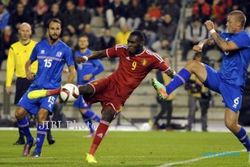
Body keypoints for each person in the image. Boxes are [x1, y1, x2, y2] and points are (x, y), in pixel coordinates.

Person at [27, 31, 175, 163]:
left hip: (120, 96)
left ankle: (91, 154)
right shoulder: (122, 49)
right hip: (109, 82)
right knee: (84, 88)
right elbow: (102, 53)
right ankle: (48, 92)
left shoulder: (152, 57)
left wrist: (172, 82)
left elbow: (169, 72)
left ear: (141, 43)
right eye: (128, 41)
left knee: (107, 116)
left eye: (132, 43)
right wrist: (86, 58)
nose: (128, 44)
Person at [152, 10, 250, 154]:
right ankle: (166, 90)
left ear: (238, 24)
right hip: (220, 78)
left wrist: (212, 30)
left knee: (230, 124)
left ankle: (249, 146)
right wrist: (202, 44)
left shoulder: (244, 37)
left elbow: (225, 46)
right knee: (192, 64)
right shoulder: (227, 35)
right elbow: (212, 40)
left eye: (230, 21)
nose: (227, 23)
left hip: (233, 86)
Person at [15, 18, 76, 157]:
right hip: (35, 88)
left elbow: (72, 70)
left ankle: (37, 151)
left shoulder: (65, 49)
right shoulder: (39, 46)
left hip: (51, 90)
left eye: (57, 29)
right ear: (48, 30)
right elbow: (28, 62)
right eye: (52, 28)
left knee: (41, 116)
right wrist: (28, 71)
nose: (55, 31)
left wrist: (67, 85)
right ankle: (29, 140)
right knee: (18, 114)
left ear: (60, 30)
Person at [5, 22, 55, 145]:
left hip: (36, 81)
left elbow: (48, 60)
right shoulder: (13, 47)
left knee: (43, 109)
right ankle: (22, 137)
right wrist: (8, 84)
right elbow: (10, 67)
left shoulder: (37, 46)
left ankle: (48, 134)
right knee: (20, 111)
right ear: (19, 32)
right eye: (23, 30)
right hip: (21, 81)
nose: (25, 33)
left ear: (31, 32)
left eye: (27, 30)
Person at [74, 34, 104, 137]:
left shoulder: (90, 54)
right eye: (80, 41)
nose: (82, 42)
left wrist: (91, 74)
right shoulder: (76, 54)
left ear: (87, 43)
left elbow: (101, 67)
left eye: (84, 41)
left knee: (84, 109)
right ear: (78, 43)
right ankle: (92, 132)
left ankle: (103, 124)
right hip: (79, 86)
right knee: (82, 111)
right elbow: (76, 68)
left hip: (88, 86)